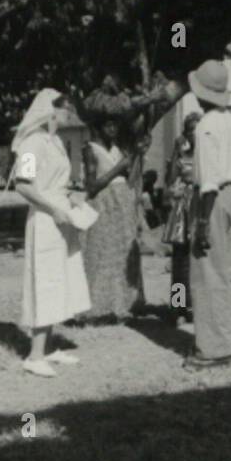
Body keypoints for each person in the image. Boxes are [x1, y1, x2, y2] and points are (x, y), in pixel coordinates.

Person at [11, 89, 92, 377]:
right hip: (46, 220)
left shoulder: (55, 141)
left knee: (61, 277)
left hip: (61, 215)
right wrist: (53, 208)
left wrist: (71, 197)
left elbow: (55, 181)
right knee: (45, 279)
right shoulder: (32, 143)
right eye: (64, 109)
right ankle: (34, 355)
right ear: (49, 110)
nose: (68, 114)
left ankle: (47, 348)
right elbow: (23, 185)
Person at [186, 60, 231, 369]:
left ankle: (211, 349)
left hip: (213, 200)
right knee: (225, 272)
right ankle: (224, 340)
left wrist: (203, 222)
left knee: (206, 274)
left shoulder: (205, 126)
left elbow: (207, 180)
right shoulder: (229, 120)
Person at [82, 114, 149, 321]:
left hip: (124, 205)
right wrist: (120, 168)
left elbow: (132, 176)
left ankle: (178, 307)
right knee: (103, 253)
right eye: (108, 125)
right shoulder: (92, 149)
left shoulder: (119, 149)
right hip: (106, 204)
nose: (113, 130)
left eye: (115, 125)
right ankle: (100, 306)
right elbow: (91, 185)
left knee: (126, 254)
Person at [162, 110, 201, 322]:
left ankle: (196, 305)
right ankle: (178, 306)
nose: (193, 135)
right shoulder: (182, 155)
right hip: (183, 209)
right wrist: (176, 153)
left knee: (200, 260)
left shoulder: (208, 154)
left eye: (197, 130)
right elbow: (169, 181)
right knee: (179, 260)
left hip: (202, 207)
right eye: (190, 131)